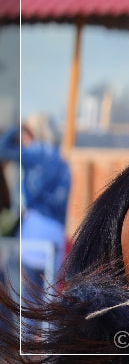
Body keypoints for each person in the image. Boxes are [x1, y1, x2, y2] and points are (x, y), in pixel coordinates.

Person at [0, 114, 71, 293]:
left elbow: (3, 149)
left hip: (34, 230)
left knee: (28, 297)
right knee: (50, 298)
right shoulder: (62, 162)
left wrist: (17, 127)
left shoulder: (35, 153)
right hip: (56, 232)